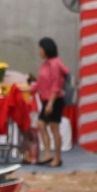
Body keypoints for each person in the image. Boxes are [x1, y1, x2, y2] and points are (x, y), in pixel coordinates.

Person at [31, 36, 71, 167]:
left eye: (40, 48)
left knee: (54, 128)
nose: (39, 51)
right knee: (41, 125)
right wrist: (27, 89)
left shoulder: (55, 64)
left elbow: (56, 85)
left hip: (54, 100)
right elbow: (40, 83)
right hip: (46, 99)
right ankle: (48, 153)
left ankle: (58, 157)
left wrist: (51, 103)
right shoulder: (45, 64)